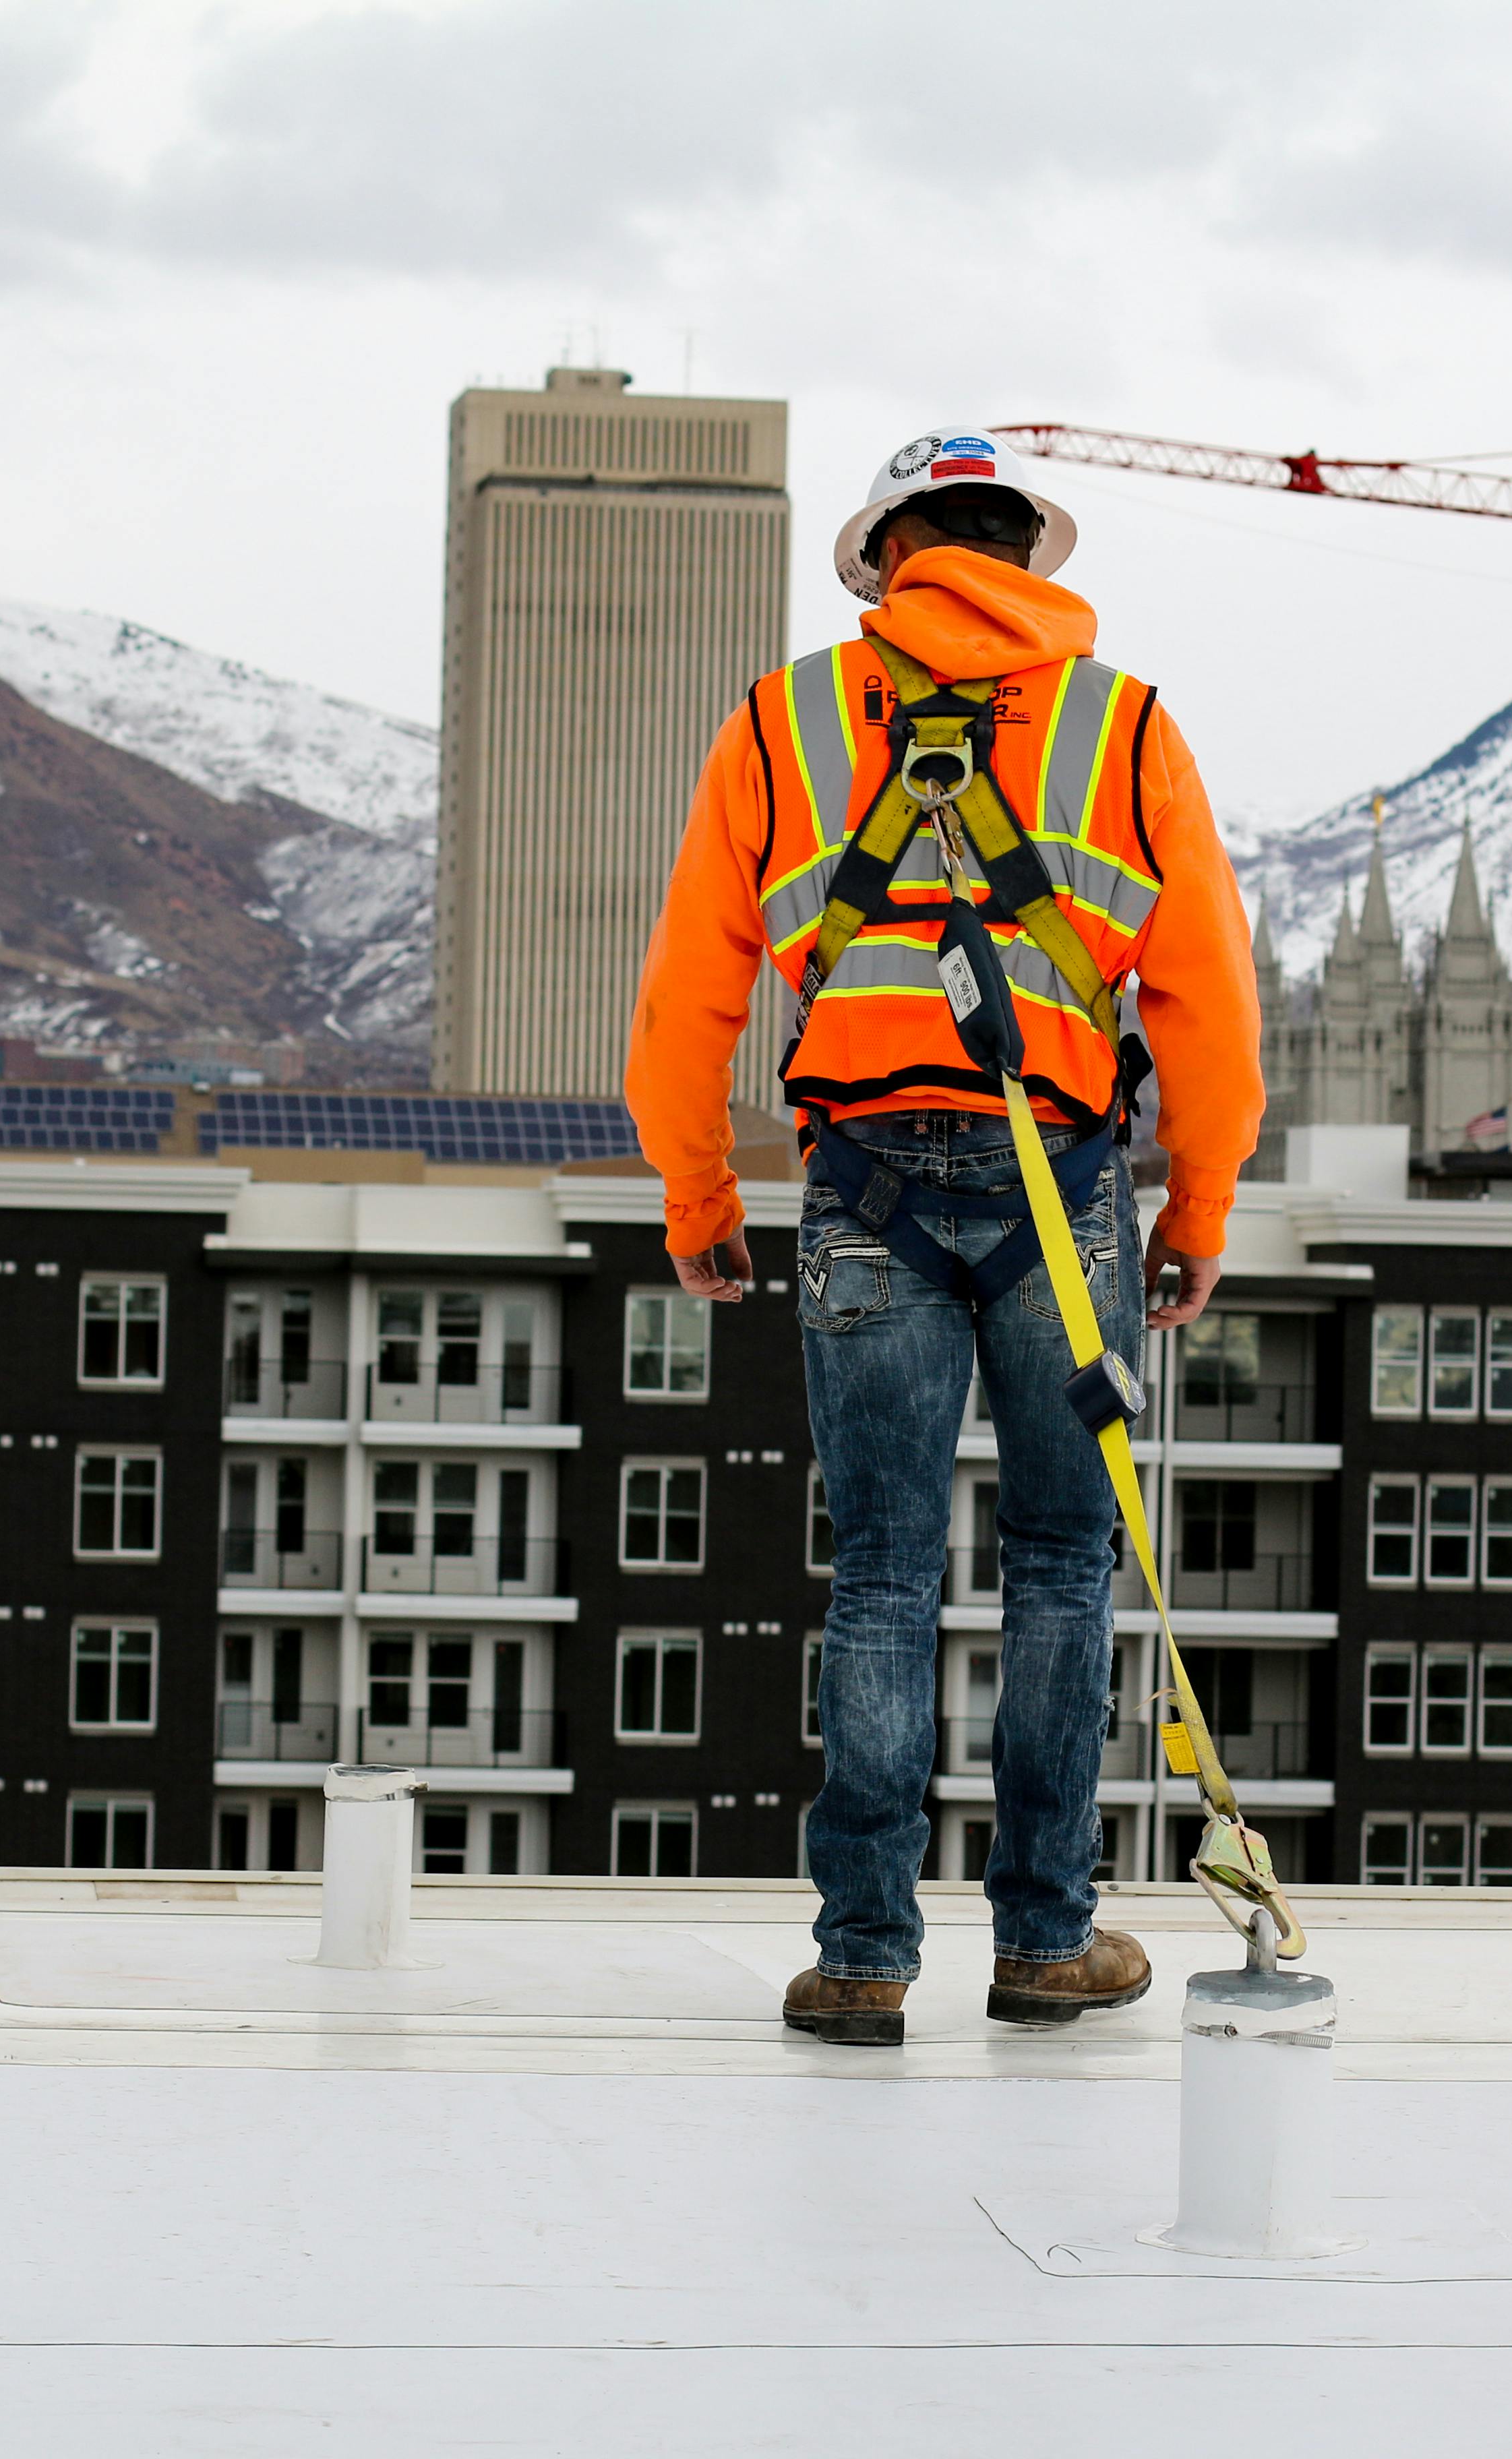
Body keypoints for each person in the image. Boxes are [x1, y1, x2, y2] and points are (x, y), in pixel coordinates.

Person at [623, 425, 1265, 2047]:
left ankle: (862, 1957)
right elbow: (1211, 1011)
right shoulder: (1124, 728)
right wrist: (1201, 1210)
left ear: (891, 558)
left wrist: (699, 1202)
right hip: (1060, 1185)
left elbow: (685, 1000)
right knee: (1064, 1562)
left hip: (864, 1190)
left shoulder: (788, 720)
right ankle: (1048, 1940)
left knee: (886, 1575)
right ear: (1025, 558)